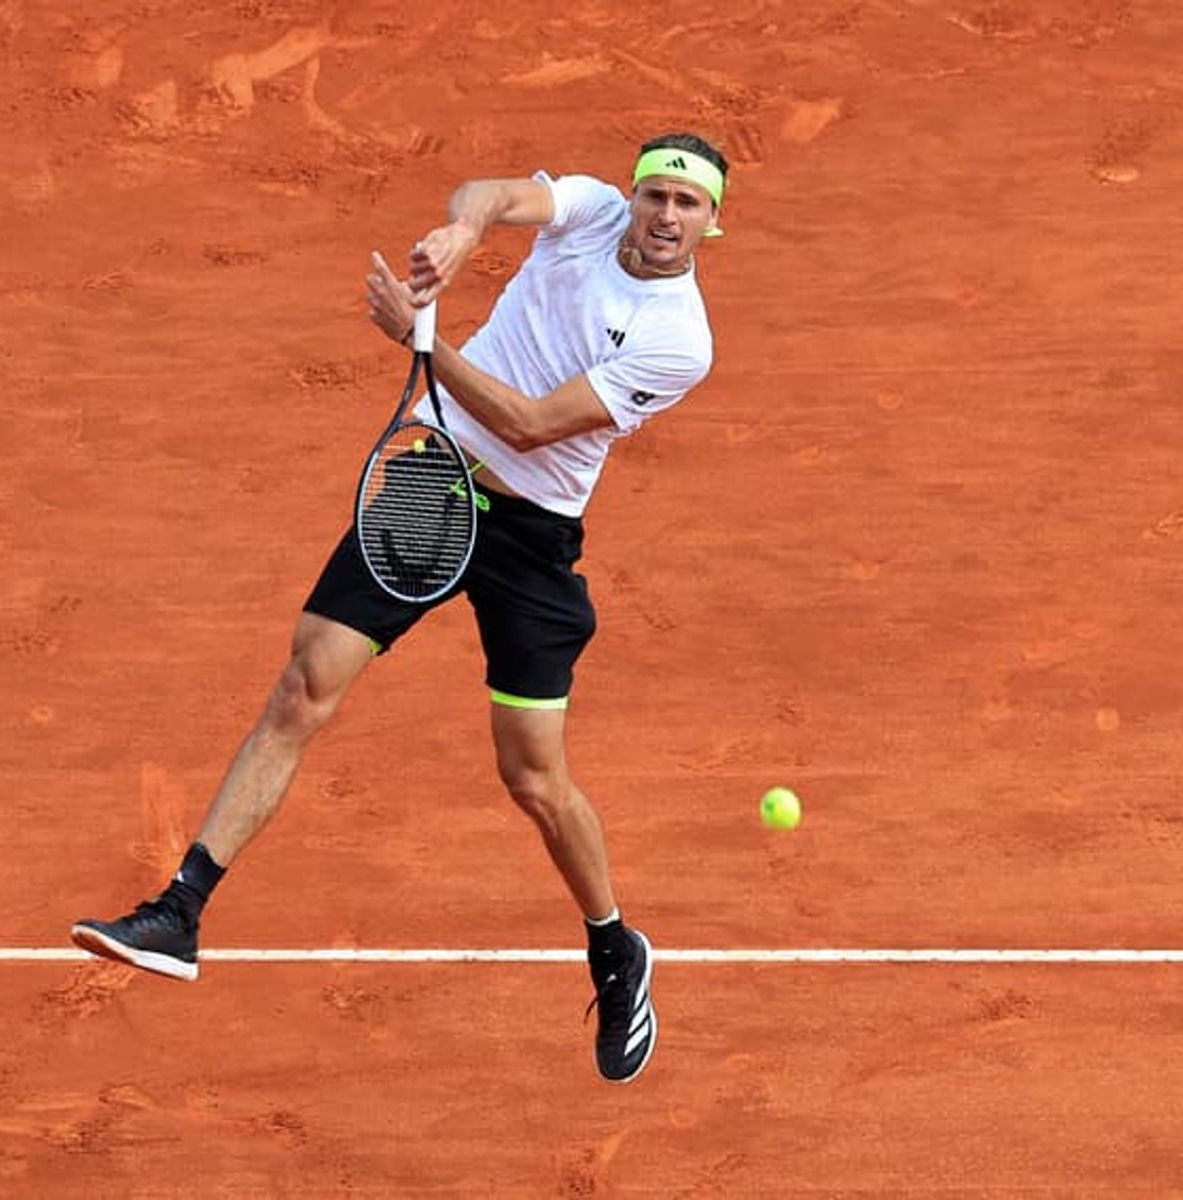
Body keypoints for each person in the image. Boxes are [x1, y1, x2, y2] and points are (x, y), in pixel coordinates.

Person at [71, 132, 730, 1085]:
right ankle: (181, 909)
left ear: (714, 222)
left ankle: (614, 946)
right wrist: (462, 231)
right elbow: (494, 192)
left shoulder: (681, 340)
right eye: (658, 195)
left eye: (690, 204)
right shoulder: (588, 213)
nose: (668, 216)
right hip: (433, 487)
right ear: (632, 197)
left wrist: (423, 340)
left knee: (534, 780)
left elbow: (531, 423)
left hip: (534, 540)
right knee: (304, 687)